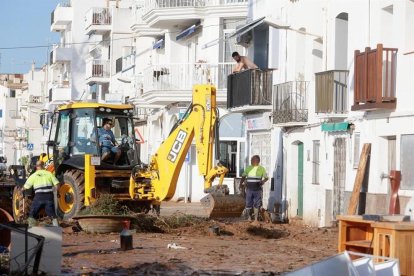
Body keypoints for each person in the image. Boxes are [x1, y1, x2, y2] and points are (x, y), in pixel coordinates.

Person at [23, 160, 60, 227]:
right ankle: (56, 227)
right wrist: (56, 192)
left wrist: (21, 189)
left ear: (36, 167)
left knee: (32, 214)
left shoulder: (33, 175)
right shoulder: (49, 174)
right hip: (49, 197)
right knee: (52, 215)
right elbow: (57, 184)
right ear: (43, 166)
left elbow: (26, 187)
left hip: (38, 197)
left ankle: (31, 229)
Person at [241, 155, 269, 222]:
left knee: (257, 203)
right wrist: (240, 184)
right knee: (248, 203)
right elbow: (243, 176)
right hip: (249, 189)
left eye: (252, 160)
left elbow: (266, 177)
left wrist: (262, 181)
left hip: (257, 189)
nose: (251, 161)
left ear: (256, 161)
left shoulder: (261, 169)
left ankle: (256, 219)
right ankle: (249, 217)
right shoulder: (248, 168)